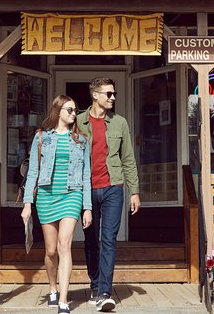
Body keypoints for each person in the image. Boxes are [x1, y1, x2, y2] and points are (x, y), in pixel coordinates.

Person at [22, 96, 93, 314]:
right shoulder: (42, 137)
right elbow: (32, 171)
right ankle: (52, 286)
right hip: (46, 196)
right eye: (70, 110)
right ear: (58, 111)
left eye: (75, 110)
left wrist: (87, 206)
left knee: (65, 246)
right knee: (51, 250)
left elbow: (86, 175)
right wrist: (27, 203)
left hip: (72, 195)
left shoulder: (81, 140)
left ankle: (63, 300)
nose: (74, 114)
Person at [78, 78, 139, 312]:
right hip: (86, 189)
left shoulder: (120, 123)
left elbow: (128, 159)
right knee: (91, 240)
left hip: (114, 187)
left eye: (114, 94)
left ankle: (105, 291)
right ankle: (95, 282)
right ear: (95, 95)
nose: (113, 97)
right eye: (108, 94)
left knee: (109, 239)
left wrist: (134, 191)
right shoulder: (79, 122)